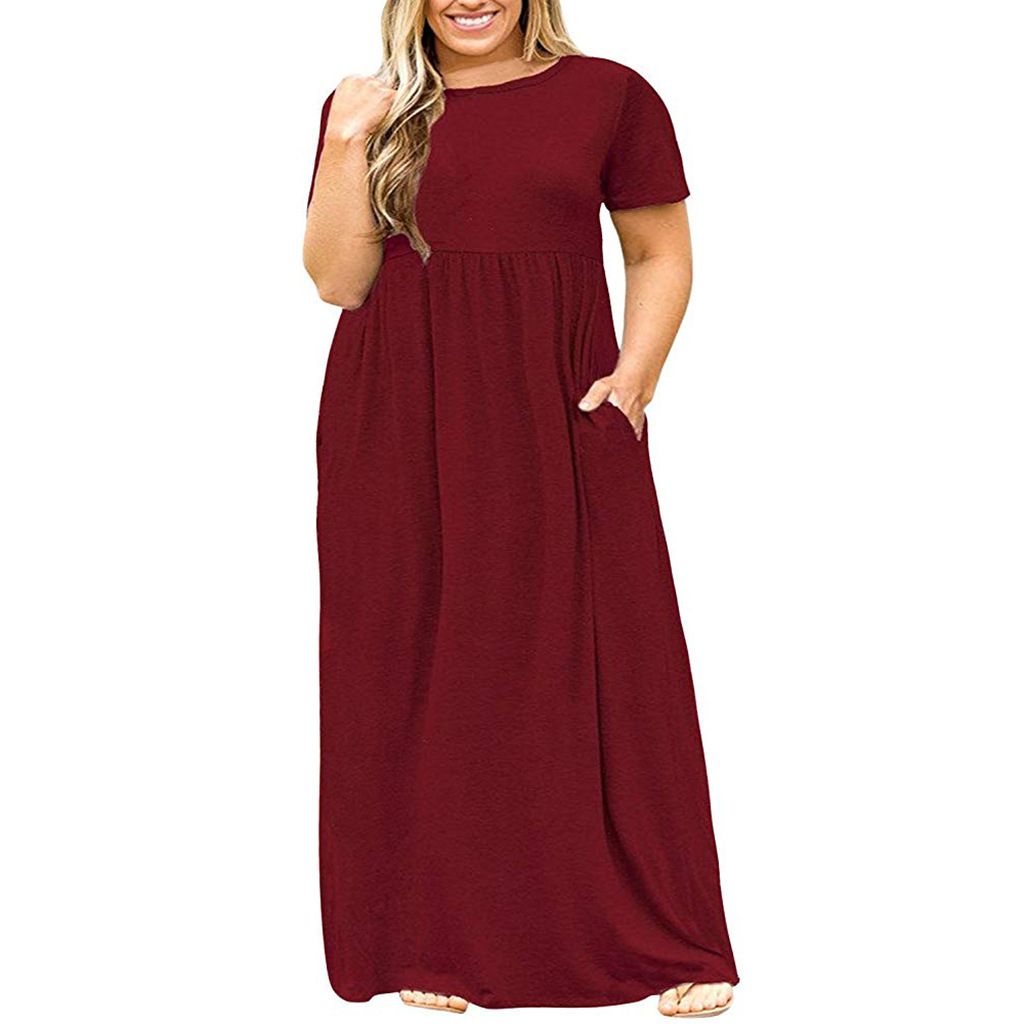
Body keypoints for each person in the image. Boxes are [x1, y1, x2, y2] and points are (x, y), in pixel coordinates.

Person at [302, 1, 739, 1016]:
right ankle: (429, 935)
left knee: (612, 660)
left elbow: (657, 252)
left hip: (556, 404)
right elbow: (337, 280)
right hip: (395, 415)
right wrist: (347, 139)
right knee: (408, 663)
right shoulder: (368, 106)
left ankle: (672, 934)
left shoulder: (610, 96)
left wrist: (633, 382)